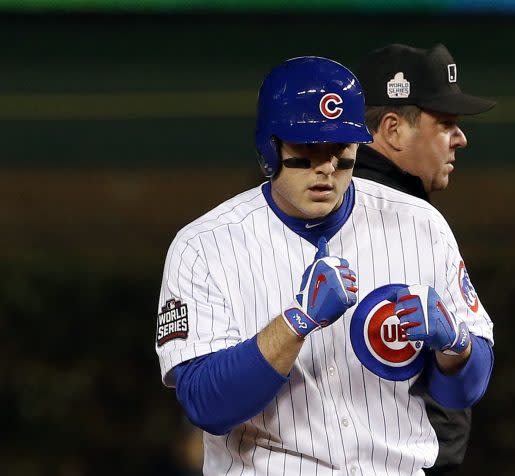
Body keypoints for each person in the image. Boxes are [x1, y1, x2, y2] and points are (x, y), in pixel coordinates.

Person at [155, 55, 494, 476]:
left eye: (340, 150)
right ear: (270, 147)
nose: (326, 168)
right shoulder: (205, 246)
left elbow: (466, 388)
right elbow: (206, 403)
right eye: (308, 149)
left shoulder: (420, 225)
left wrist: (456, 346)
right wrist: (297, 322)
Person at [353, 44, 496, 475]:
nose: (460, 138)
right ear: (394, 130)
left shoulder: (403, 214)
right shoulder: (405, 221)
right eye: (446, 123)